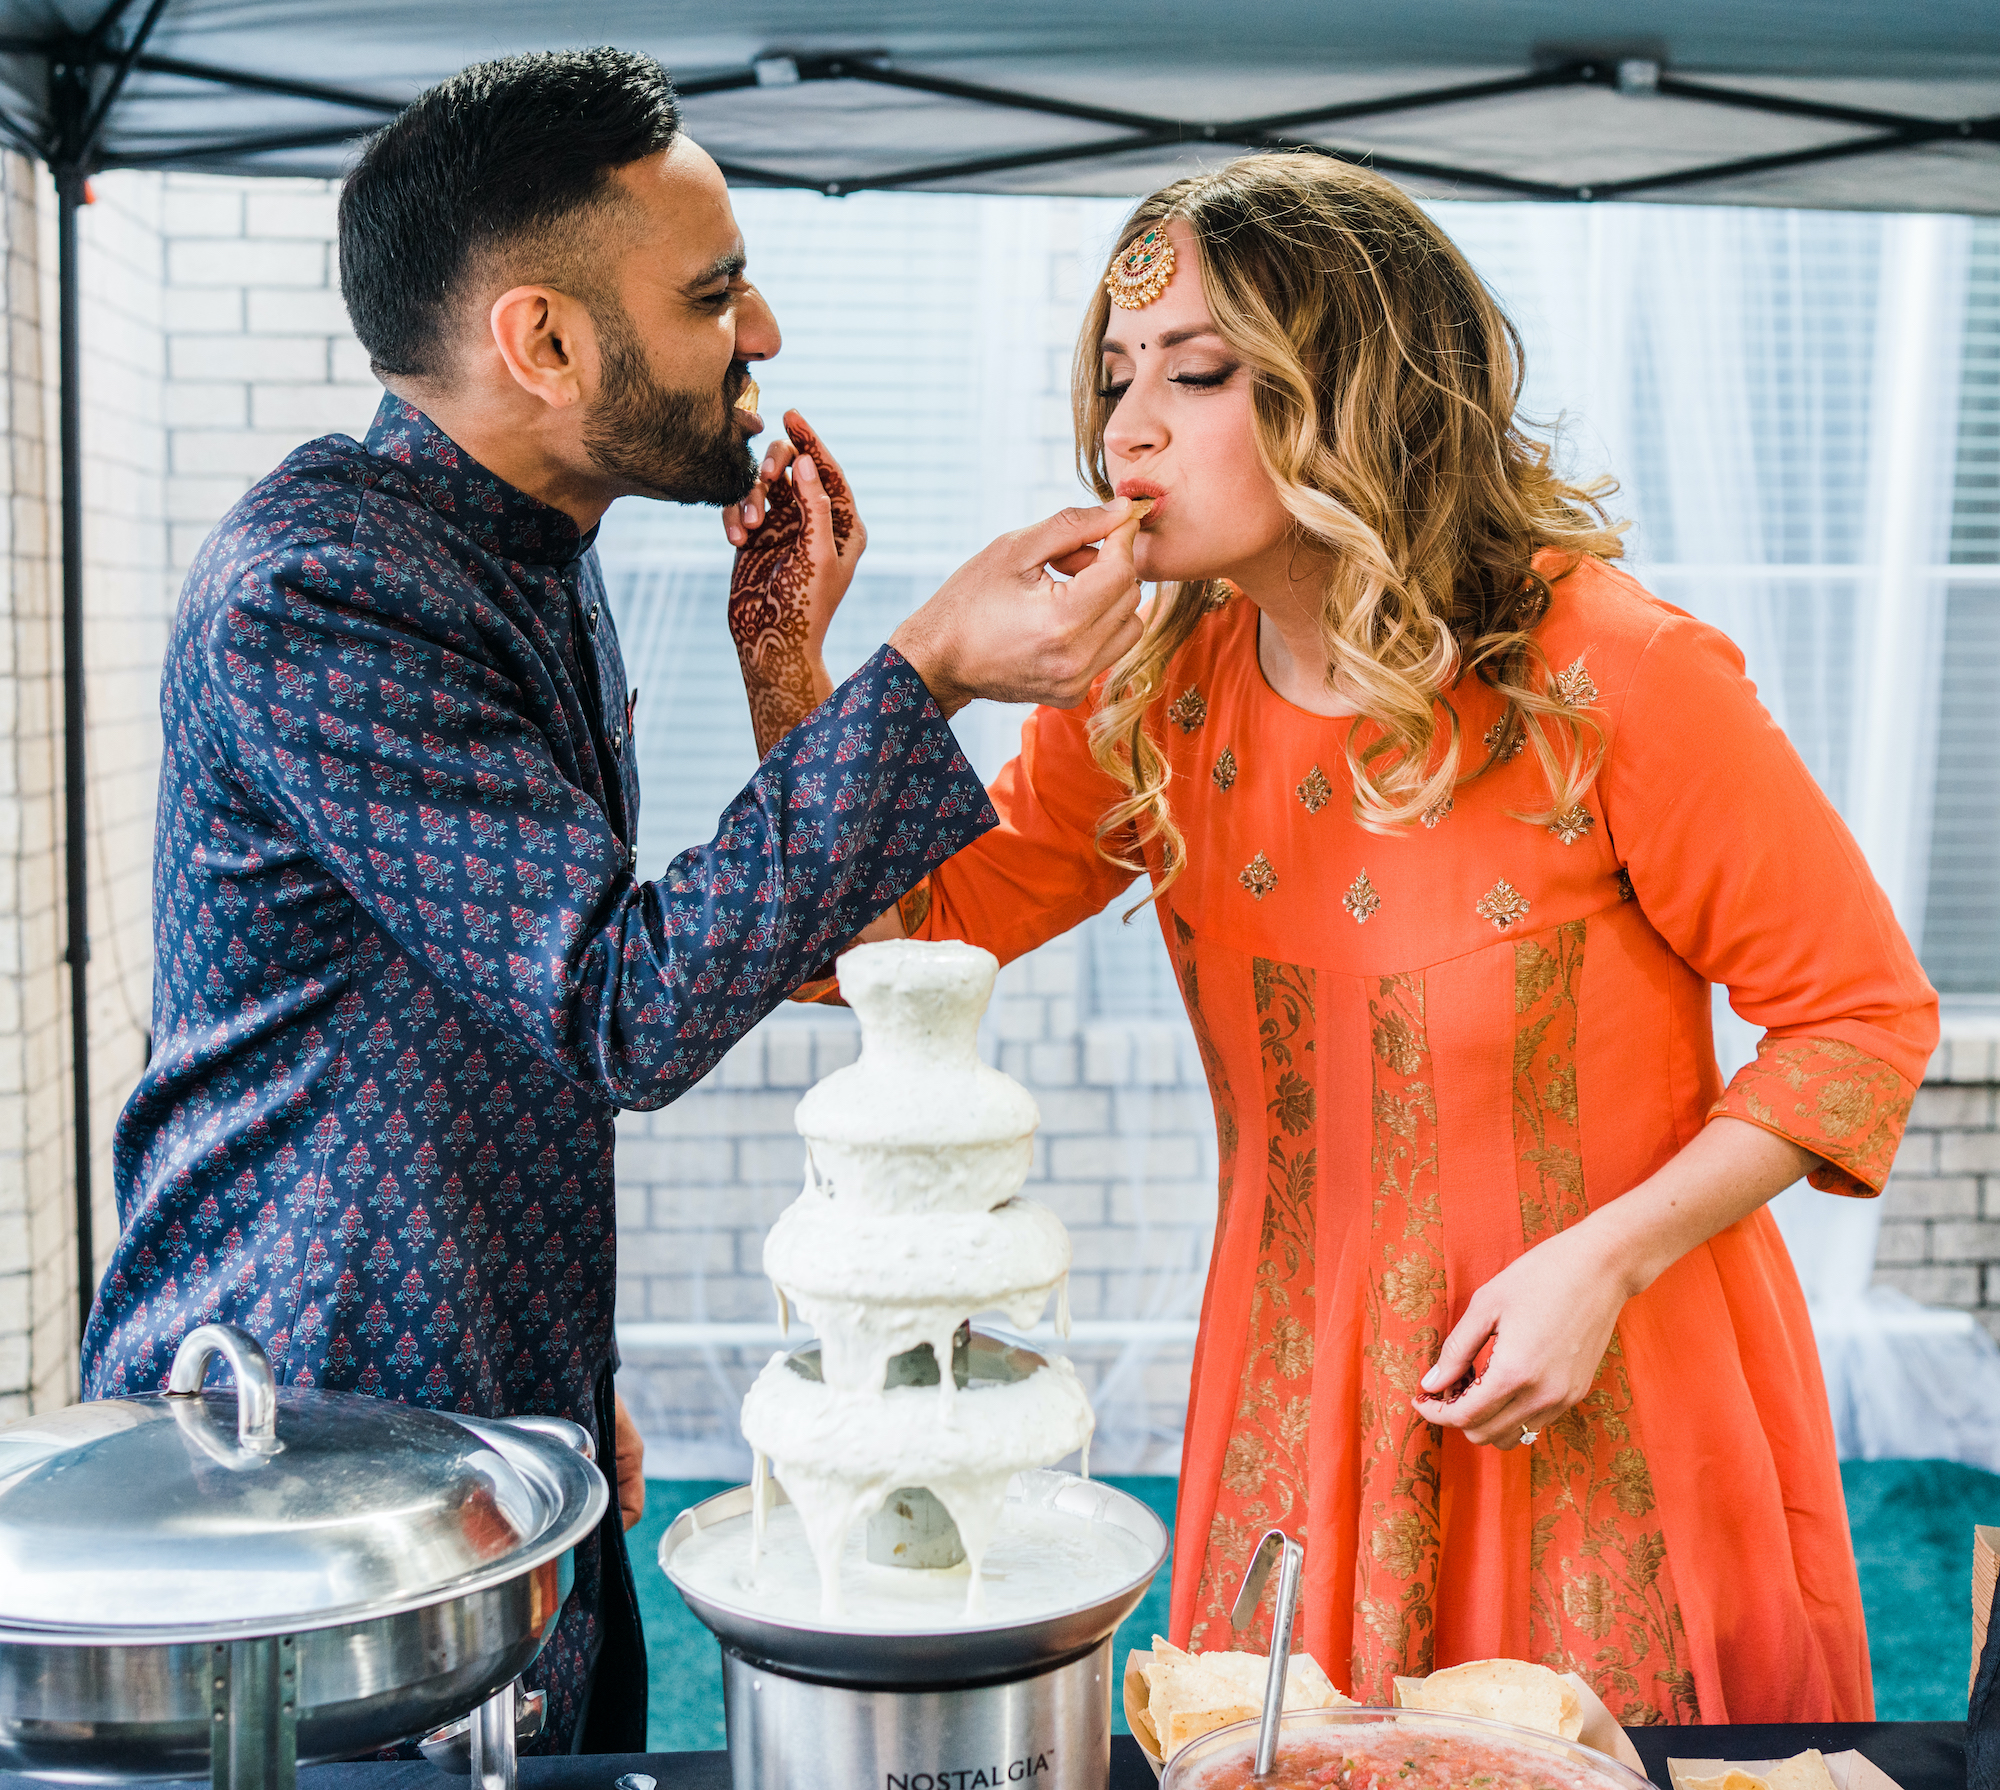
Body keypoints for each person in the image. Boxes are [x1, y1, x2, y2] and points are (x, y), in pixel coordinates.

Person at [728, 154, 1939, 1722]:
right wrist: (789, 662)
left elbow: (1859, 1019)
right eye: (1114, 377)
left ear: (1360, 391)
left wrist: (1601, 1261)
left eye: (1201, 373)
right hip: (1288, 1408)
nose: (1128, 430)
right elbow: (882, 954)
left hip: (1606, 1378)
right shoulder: (1151, 695)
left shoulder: (1619, 673)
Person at [84, 48, 1145, 1753]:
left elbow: (517, 1002)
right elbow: (614, 1004)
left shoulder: (517, 554)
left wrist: (785, 660)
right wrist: (930, 669)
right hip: (300, 1467)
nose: (767, 336)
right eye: (717, 294)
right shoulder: (324, 592)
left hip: (491, 1410)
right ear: (545, 340)